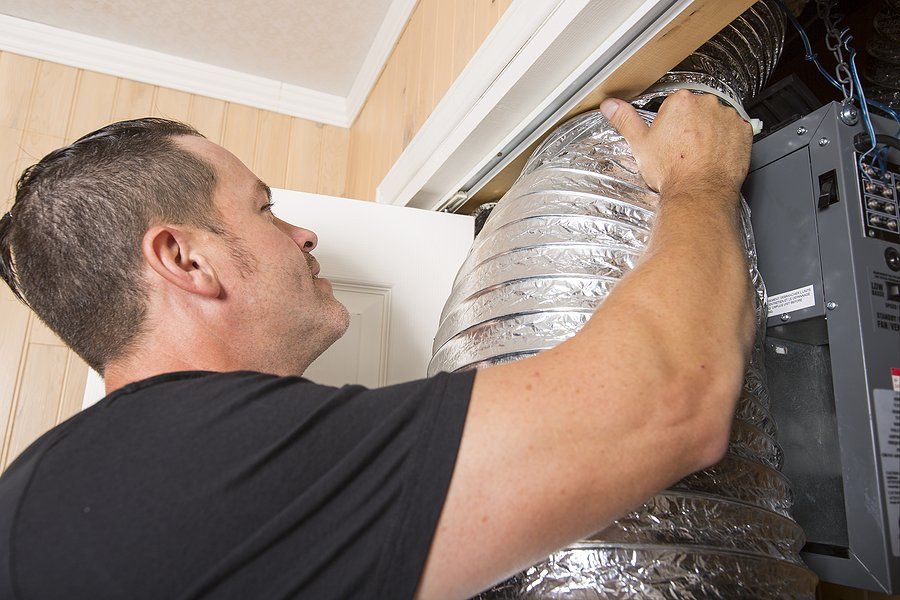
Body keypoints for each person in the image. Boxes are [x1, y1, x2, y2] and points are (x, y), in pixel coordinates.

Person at [0, 90, 754, 599]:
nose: (304, 234)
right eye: (264, 209)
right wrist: (700, 178)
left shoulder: (73, 486)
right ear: (185, 259)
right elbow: (670, 397)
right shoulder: (200, 460)